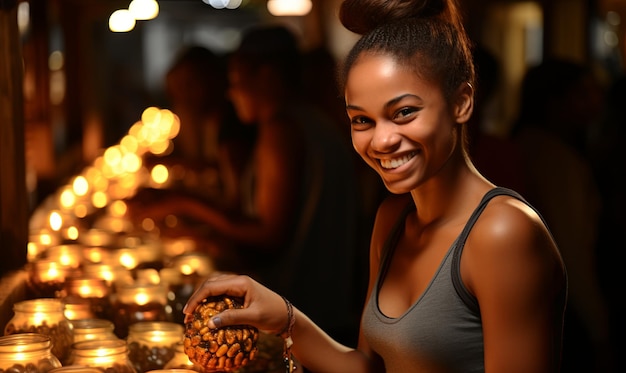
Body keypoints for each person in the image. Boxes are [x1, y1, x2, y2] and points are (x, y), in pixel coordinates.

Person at [183, 0, 568, 372]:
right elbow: (372, 367)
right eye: (362, 121)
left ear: (462, 103)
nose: (381, 141)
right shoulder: (392, 219)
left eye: (404, 112)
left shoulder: (503, 233)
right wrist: (283, 317)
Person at [130, 26, 362, 346]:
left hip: (306, 310)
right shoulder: (311, 120)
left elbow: (268, 234)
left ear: (266, 76)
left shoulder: (281, 129)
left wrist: (180, 203)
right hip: (328, 301)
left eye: (237, 81)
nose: (230, 93)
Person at [511, 58, 614, 372]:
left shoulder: (531, 146)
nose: (595, 102)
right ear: (553, 103)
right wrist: (599, 328)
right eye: (582, 94)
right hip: (558, 307)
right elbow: (570, 248)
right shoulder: (555, 159)